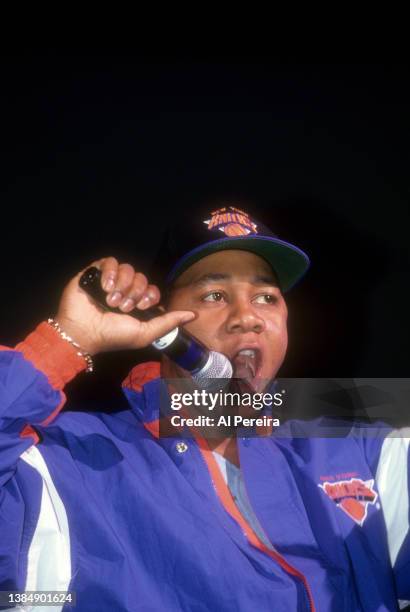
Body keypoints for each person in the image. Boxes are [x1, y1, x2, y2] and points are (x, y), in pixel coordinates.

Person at [1, 203, 409, 612]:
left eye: (266, 296)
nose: (247, 317)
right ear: (164, 323)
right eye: (215, 294)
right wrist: (66, 339)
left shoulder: (361, 451)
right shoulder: (72, 464)